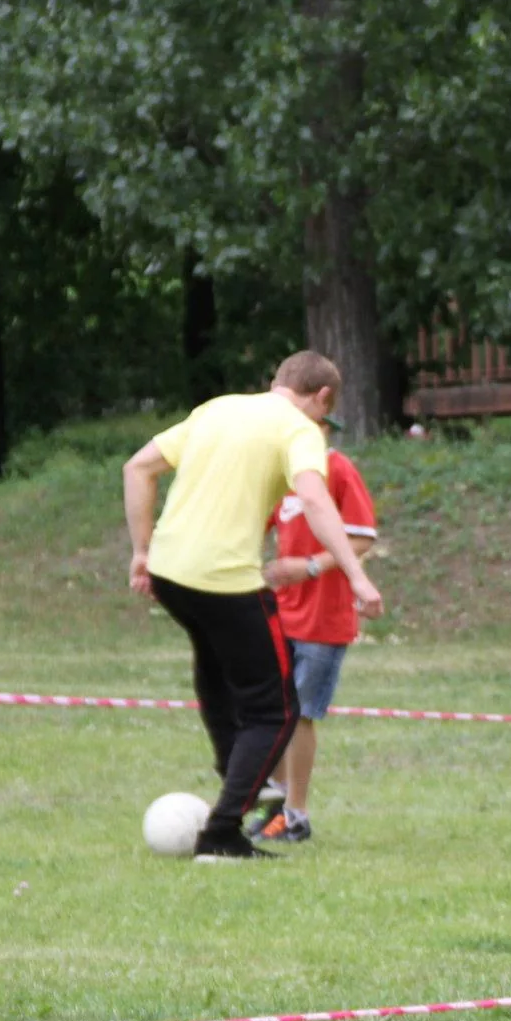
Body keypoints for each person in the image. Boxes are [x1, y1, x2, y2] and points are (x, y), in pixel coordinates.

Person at [123, 351, 384, 858]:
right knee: (278, 710)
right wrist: (356, 576)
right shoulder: (300, 429)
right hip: (226, 580)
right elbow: (313, 497)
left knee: (218, 674)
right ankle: (222, 834)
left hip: (172, 574)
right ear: (322, 397)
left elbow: (139, 467)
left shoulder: (216, 409)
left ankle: (244, 776)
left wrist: (140, 551)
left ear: (276, 380)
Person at [246, 421, 380, 844]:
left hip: (325, 618)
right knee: (270, 708)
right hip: (281, 612)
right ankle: (276, 808)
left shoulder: (337, 469)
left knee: (299, 713)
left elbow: (361, 538)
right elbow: (250, 529)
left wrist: (307, 568)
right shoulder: (280, 478)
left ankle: (296, 816)